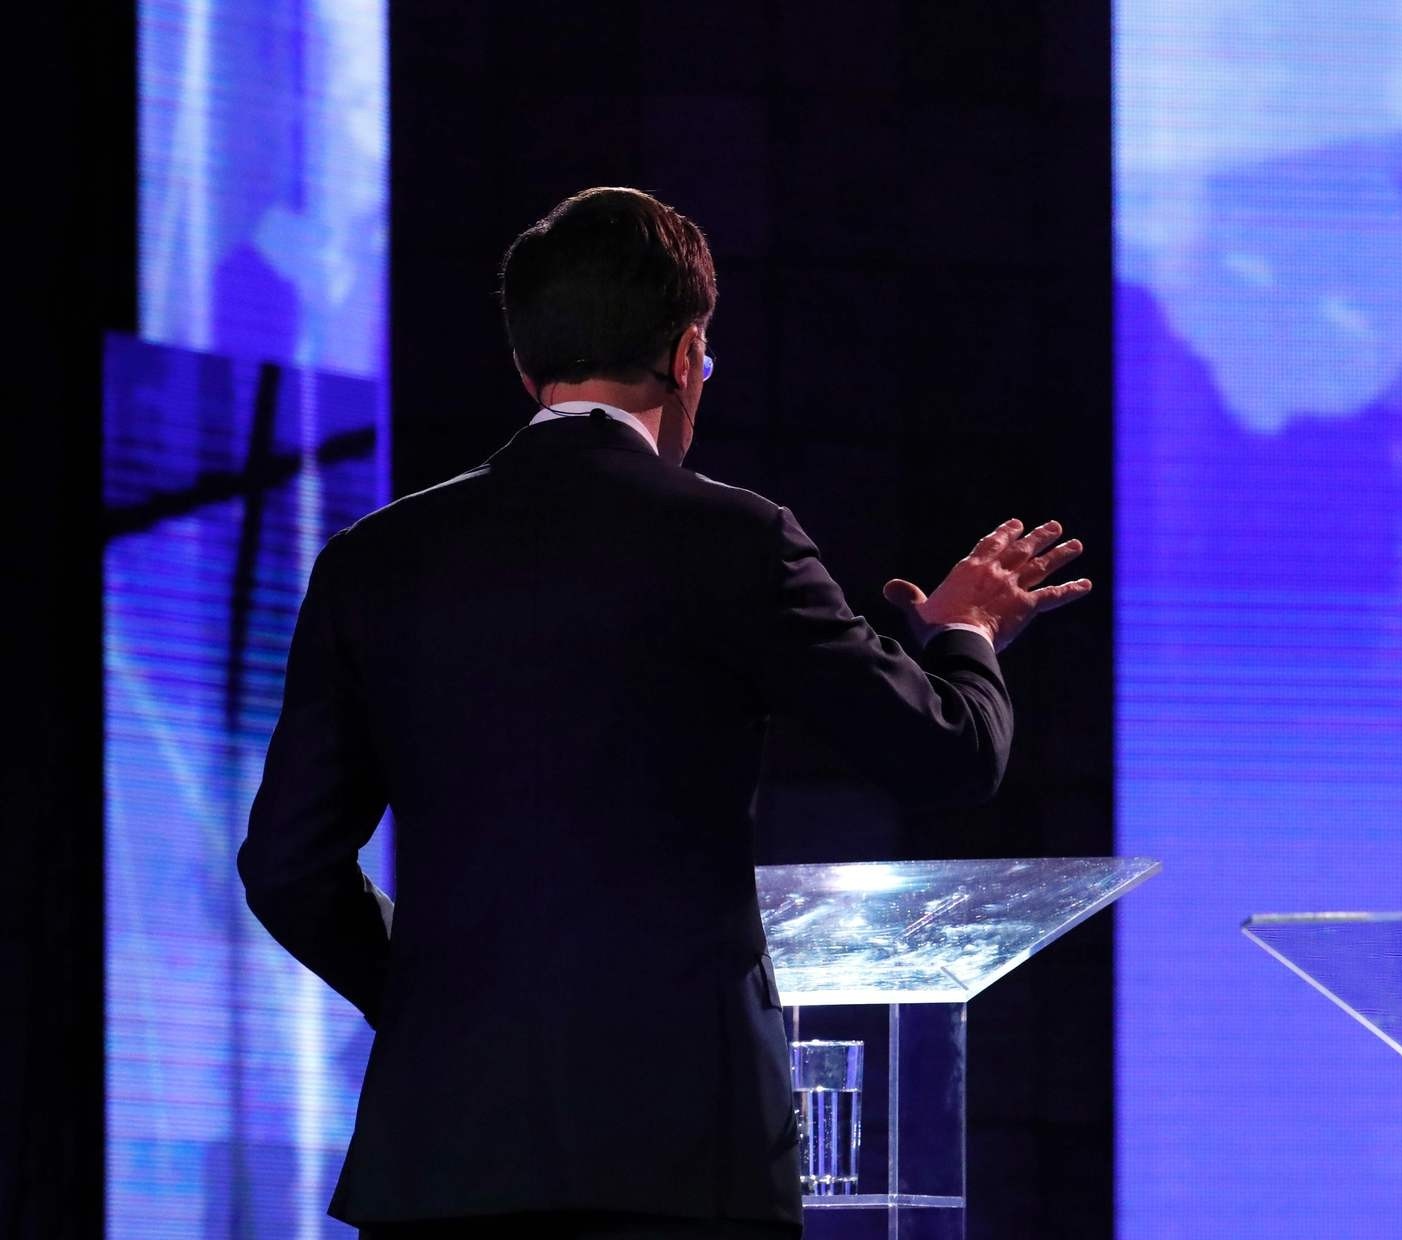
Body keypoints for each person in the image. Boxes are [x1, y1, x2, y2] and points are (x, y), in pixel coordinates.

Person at [237, 186, 1092, 1239]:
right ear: (688, 354)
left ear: (525, 367)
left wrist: (429, 1001)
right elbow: (949, 759)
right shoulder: (733, 540)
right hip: (685, 1161)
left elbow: (284, 866)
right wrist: (964, 633)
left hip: (443, 1161)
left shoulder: (372, 561)